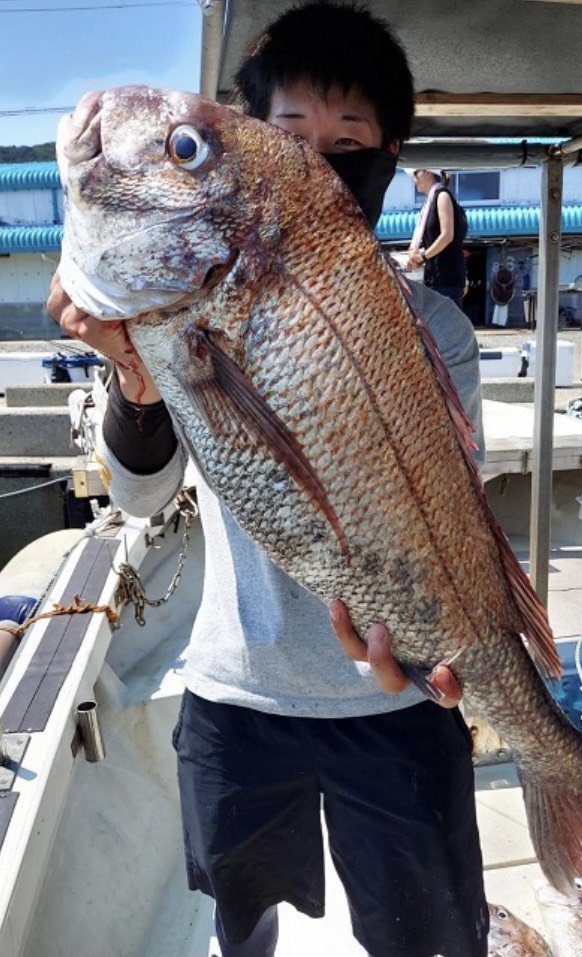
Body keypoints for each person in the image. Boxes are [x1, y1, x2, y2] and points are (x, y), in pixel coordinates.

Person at [48, 4, 488, 956]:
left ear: (389, 152)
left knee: (428, 937)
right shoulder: (186, 300)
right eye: (291, 136)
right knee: (240, 928)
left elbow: (456, 518)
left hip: (399, 703)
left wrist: (441, 656)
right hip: (235, 693)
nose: (322, 160)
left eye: (351, 140)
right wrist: (134, 370)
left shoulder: (437, 330)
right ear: (258, 149)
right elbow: (142, 496)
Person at [406, 169, 468, 310]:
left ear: (427, 173)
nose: (414, 179)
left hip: (446, 279)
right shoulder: (429, 202)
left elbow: (447, 236)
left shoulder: (442, 196)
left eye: (416, 173)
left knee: (445, 328)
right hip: (435, 277)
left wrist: (422, 256)